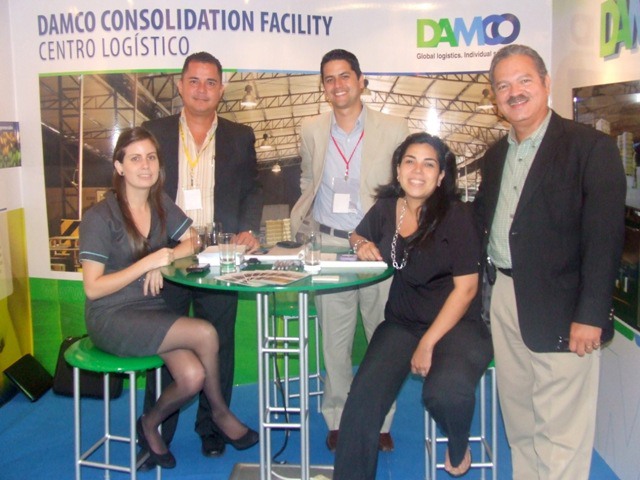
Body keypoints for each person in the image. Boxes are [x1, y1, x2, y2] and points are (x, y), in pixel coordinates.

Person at [474, 44, 626, 479]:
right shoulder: (496, 156)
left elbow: (604, 239)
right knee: (519, 418)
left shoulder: (590, 148)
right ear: (495, 97)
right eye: (503, 86)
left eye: (524, 80)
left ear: (546, 83)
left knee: (561, 430)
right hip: (505, 296)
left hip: (564, 305)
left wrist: (591, 314)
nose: (514, 92)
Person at [78, 127, 258, 469]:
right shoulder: (100, 217)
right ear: (119, 167)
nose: (145, 165)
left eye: (151, 157)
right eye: (135, 159)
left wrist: (168, 257)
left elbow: (194, 240)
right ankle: (220, 413)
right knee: (205, 332)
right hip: (111, 314)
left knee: (192, 377)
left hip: (150, 309)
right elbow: (93, 288)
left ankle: (148, 423)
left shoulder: (159, 203)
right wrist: (148, 263)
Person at [333, 132, 493, 479]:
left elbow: (466, 289)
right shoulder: (387, 208)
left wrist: (427, 343)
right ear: (398, 169)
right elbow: (357, 233)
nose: (417, 170)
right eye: (410, 161)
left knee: (444, 393)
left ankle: (458, 442)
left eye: (429, 164)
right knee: (361, 404)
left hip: (457, 325)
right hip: (402, 323)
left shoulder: (458, 216)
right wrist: (360, 244)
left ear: (441, 175)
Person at [141, 51, 263, 461]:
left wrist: (249, 228)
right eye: (194, 81)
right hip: (168, 257)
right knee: (166, 346)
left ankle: (212, 427)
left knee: (219, 344)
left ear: (221, 89)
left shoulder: (240, 136)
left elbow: (253, 189)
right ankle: (157, 430)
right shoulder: (154, 132)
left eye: (211, 82)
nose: (202, 89)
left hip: (219, 257)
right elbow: (140, 194)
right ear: (180, 85)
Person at [290, 49, 409, 452]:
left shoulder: (393, 128)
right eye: (329, 78)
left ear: (360, 81)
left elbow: (402, 188)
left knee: (382, 337)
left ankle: (380, 419)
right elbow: (308, 178)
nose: (337, 84)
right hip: (328, 245)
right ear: (323, 87)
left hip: (376, 246)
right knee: (334, 342)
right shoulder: (311, 129)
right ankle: (338, 417)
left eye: (345, 76)